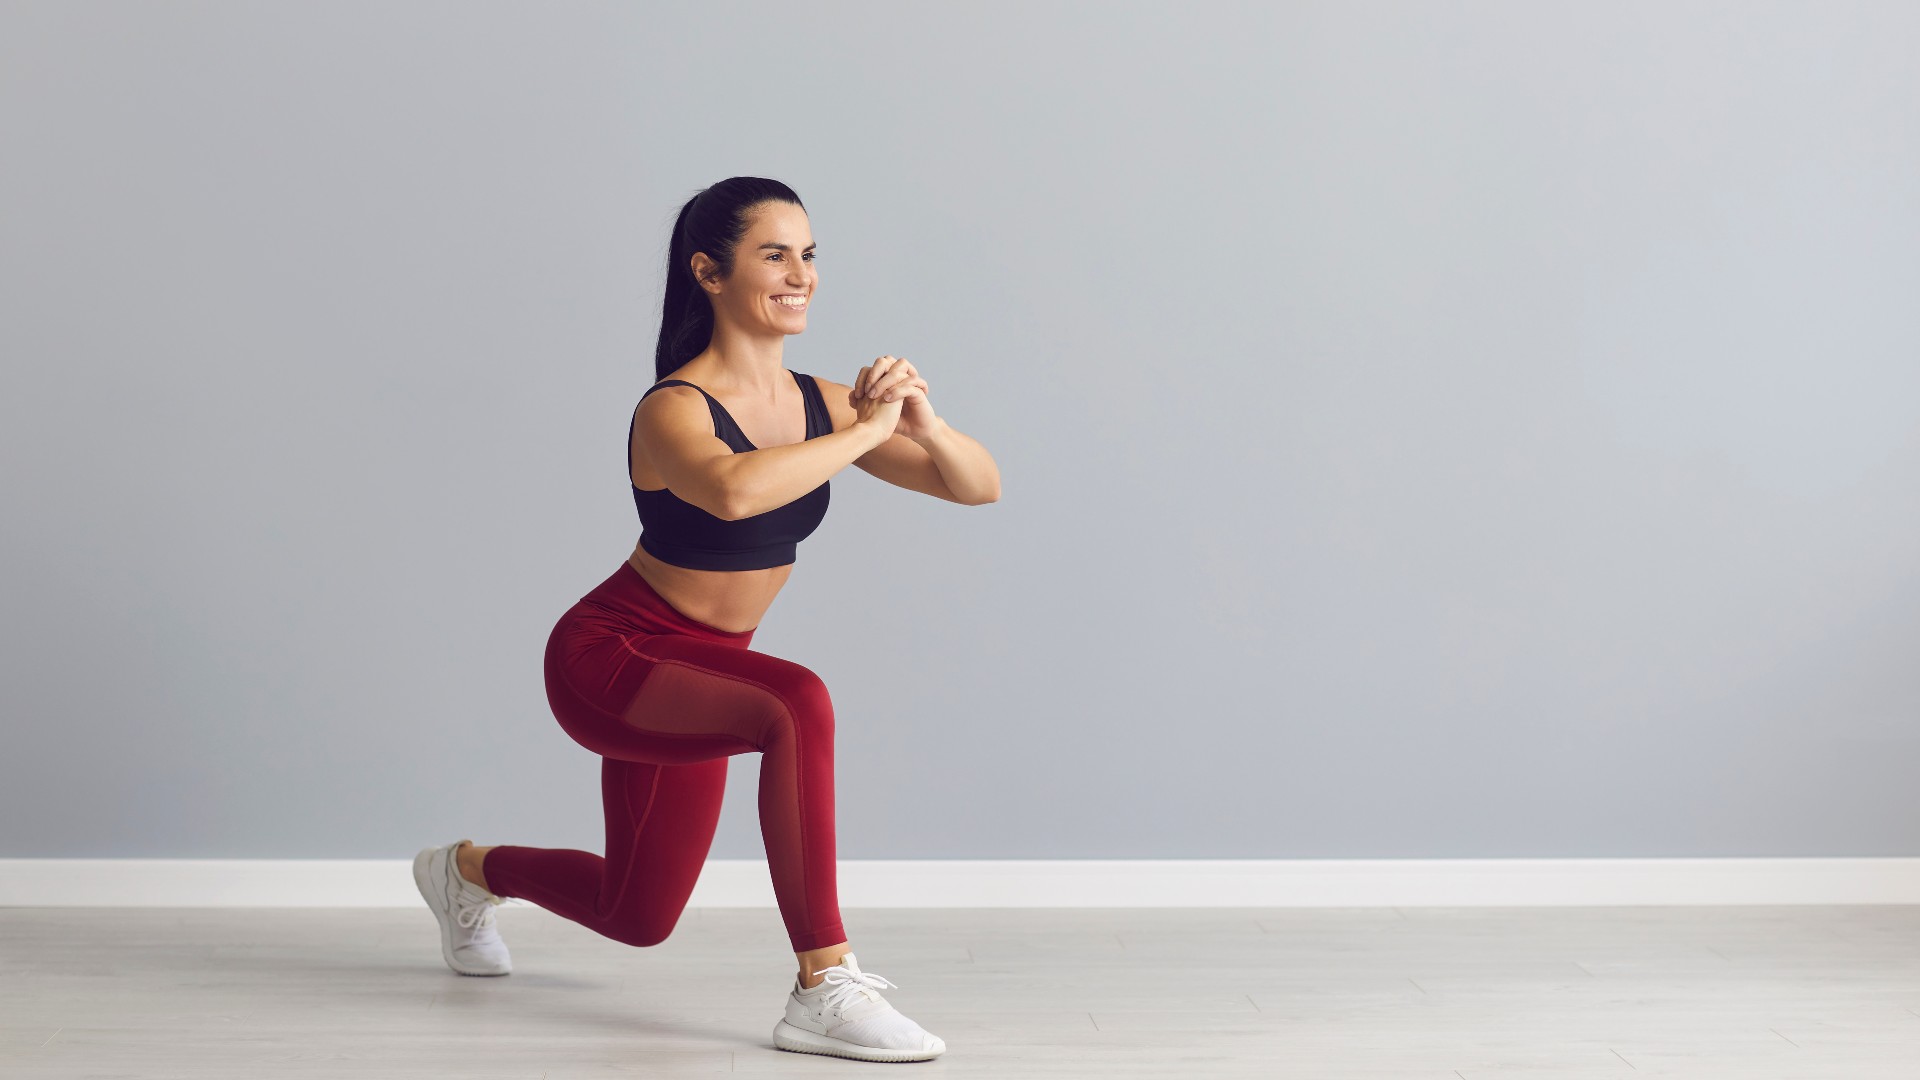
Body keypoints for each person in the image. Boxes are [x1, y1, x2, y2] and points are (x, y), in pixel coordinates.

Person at [411, 177, 1000, 1063]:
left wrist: (923, 420)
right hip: (612, 656)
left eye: (808, 254)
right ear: (708, 272)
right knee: (797, 701)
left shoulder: (822, 402)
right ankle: (822, 984)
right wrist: (867, 433)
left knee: (636, 915)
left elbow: (976, 485)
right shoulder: (673, 409)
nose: (800, 274)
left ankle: (462, 872)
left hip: (704, 675)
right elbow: (732, 491)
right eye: (774, 254)